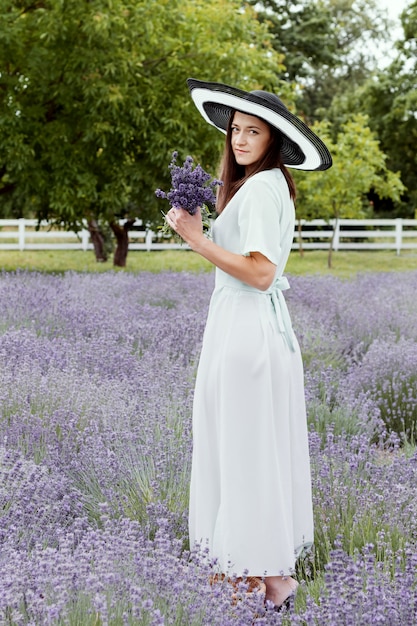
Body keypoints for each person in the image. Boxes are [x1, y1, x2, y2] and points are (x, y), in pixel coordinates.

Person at [165, 78, 332, 610]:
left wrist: (196, 238)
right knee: (251, 451)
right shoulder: (264, 187)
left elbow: (260, 273)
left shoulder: (262, 188)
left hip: (246, 328)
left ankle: (242, 581)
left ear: (272, 140)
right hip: (246, 325)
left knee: (240, 451)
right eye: (235, 129)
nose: (240, 139)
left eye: (252, 131)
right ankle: (275, 582)